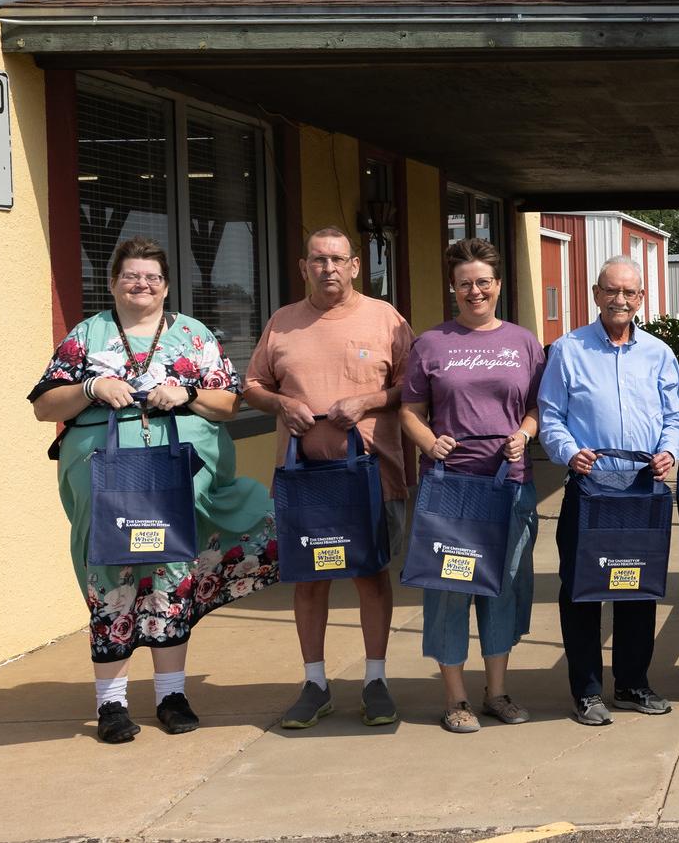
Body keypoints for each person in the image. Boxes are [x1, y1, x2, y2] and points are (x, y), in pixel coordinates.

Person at [30, 235, 277, 743]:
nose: (141, 284)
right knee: (111, 573)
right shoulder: (88, 336)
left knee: (170, 574)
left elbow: (229, 403)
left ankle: (170, 694)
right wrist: (90, 388)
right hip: (107, 481)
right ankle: (112, 704)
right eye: (131, 275)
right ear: (113, 281)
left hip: (177, 479)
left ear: (166, 287)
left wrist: (186, 393)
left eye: (152, 277)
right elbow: (44, 406)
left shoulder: (192, 336)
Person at [243, 227, 415, 731]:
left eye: (338, 259)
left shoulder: (385, 319)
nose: (329, 269)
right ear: (303, 267)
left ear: (356, 265)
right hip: (304, 481)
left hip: (371, 478)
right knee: (309, 580)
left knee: (369, 575)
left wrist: (368, 400)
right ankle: (315, 683)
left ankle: (376, 681)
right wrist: (280, 404)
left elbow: (414, 384)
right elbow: (252, 386)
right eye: (318, 260)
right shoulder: (282, 323)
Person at [398, 238, 543, 733]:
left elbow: (539, 408)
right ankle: (455, 698)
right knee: (449, 589)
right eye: (466, 283)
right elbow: (409, 410)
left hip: (509, 486)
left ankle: (496, 692)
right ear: (453, 288)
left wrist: (524, 435)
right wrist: (427, 441)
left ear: (498, 285)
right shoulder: (431, 343)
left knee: (501, 587)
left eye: (484, 282)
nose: (475, 291)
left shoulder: (524, 343)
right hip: (451, 490)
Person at [537, 255, 679, 726]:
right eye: (611, 290)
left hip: (642, 486)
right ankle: (587, 692)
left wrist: (669, 452)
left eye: (630, 292)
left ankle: (633, 684)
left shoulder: (659, 353)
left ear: (641, 298)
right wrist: (568, 451)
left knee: (635, 585)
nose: (620, 299)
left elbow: (673, 418)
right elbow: (551, 416)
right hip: (591, 486)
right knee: (582, 589)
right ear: (597, 294)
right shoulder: (568, 349)